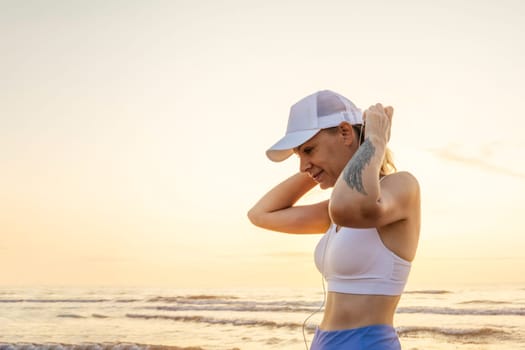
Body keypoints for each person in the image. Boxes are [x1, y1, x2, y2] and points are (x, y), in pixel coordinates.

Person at [247, 90, 420, 350]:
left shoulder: (400, 186)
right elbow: (261, 214)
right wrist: (317, 167)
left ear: (344, 132)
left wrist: (374, 141)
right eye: (299, 156)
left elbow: (347, 208)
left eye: (308, 150)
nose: (302, 165)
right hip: (324, 341)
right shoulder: (337, 208)